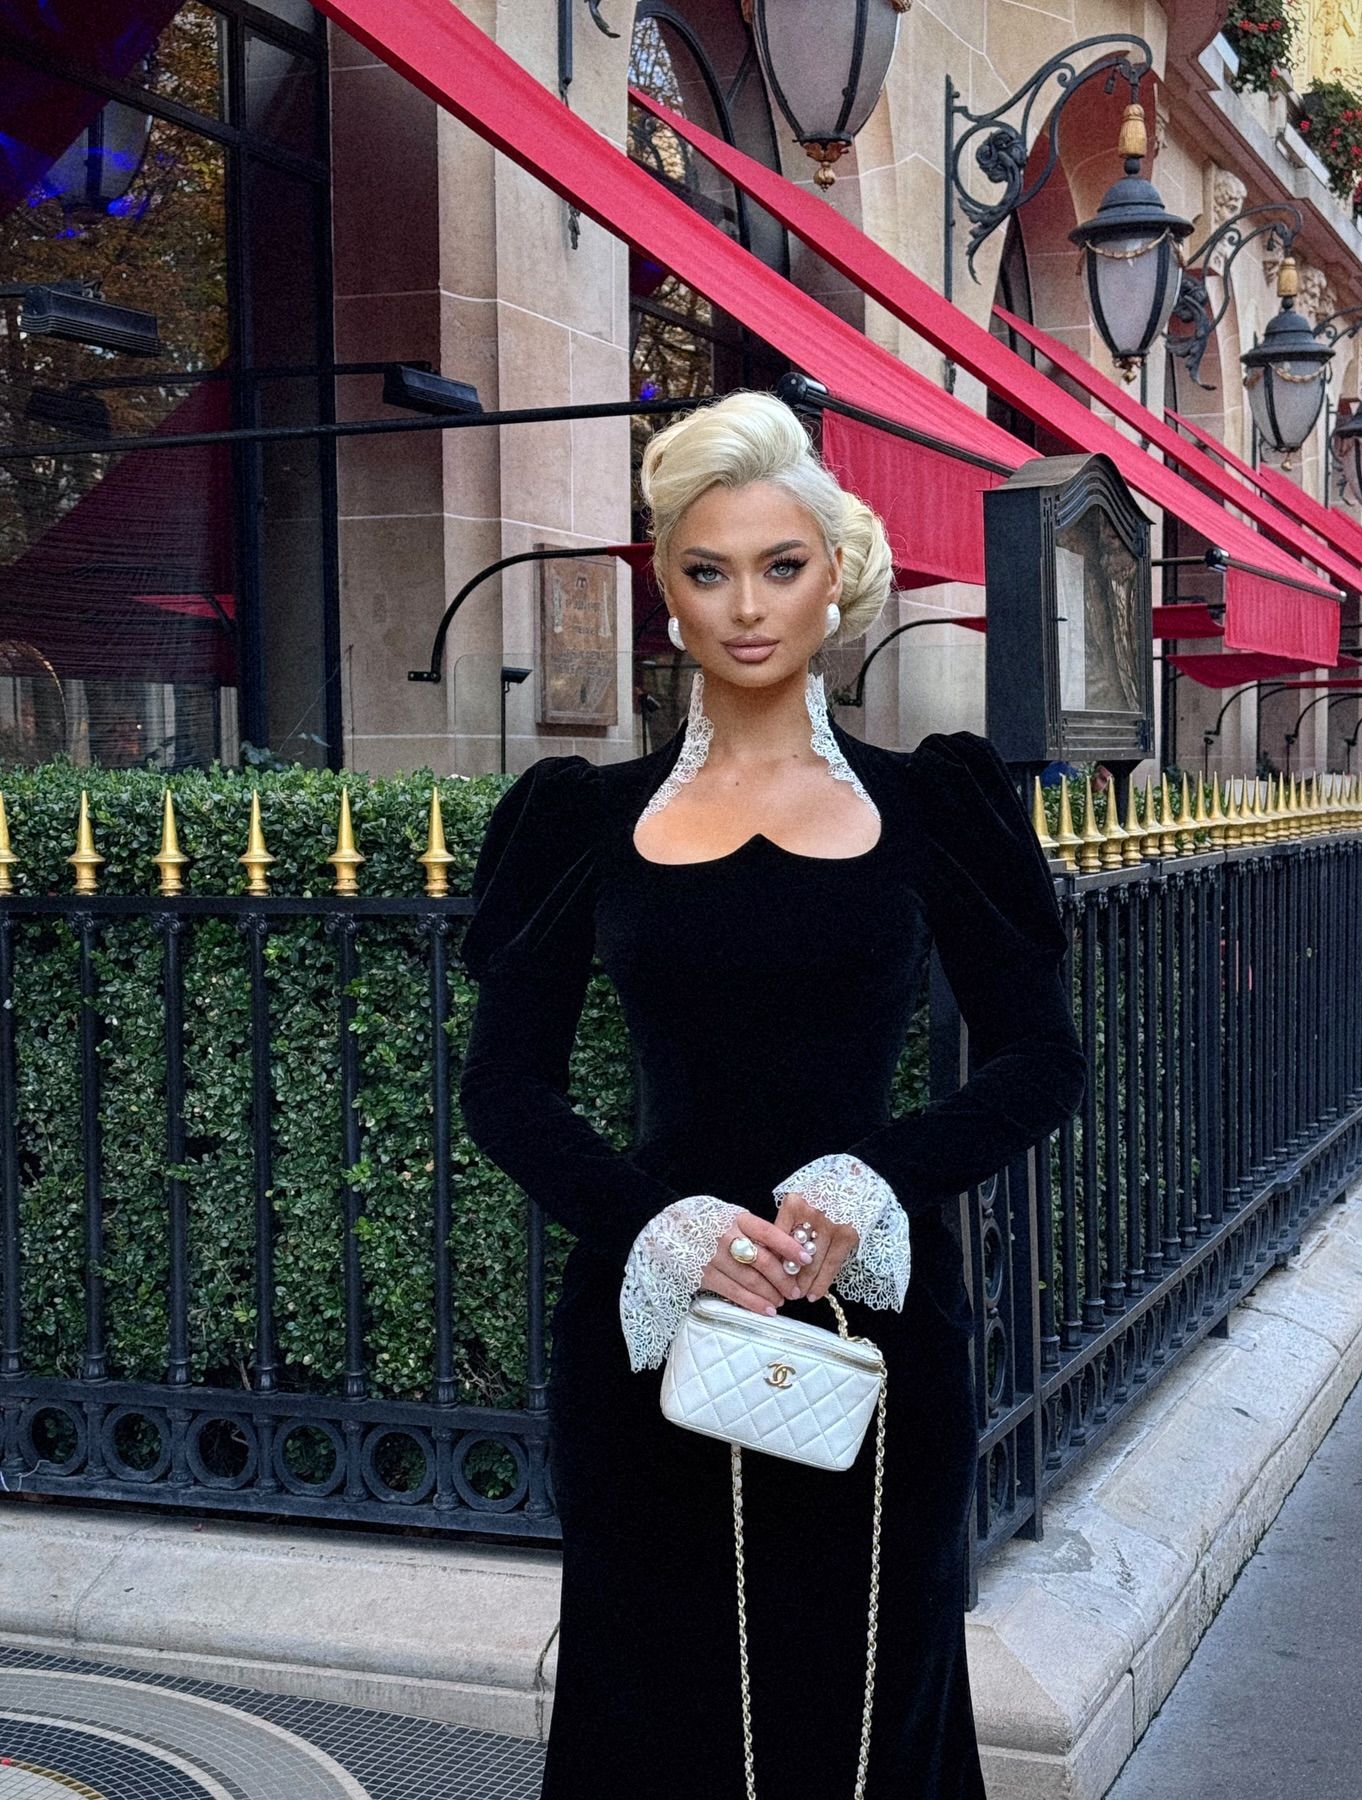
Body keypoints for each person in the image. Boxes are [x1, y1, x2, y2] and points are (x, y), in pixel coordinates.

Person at [458, 390, 1088, 1799]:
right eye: (709, 570)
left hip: (873, 1331)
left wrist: (880, 1179)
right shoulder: (580, 819)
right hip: (650, 1335)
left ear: (835, 575)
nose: (747, 607)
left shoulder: (933, 805)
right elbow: (502, 1086)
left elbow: (1042, 1057)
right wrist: (659, 1223)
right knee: (653, 1707)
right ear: (669, 591)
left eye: (781, 566)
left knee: (867, 1708)